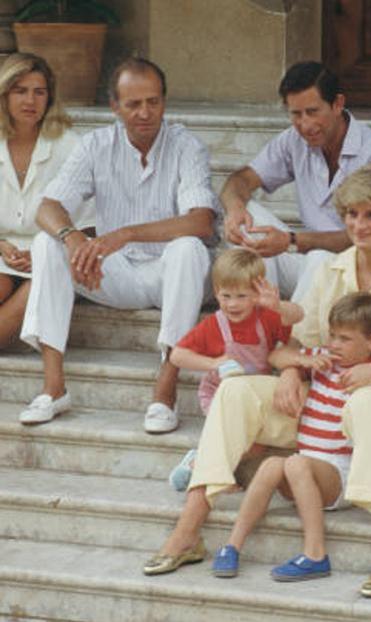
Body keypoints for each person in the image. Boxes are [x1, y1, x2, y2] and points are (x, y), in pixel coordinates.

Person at [144, 163, 371, 599]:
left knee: (364, 402)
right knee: (236, 389)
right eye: (351, 214)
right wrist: (291, 371)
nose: (357, 224)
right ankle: (189, 528)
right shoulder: (335, 268)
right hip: (325, 398)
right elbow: (297, 341)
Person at [17, 57, 220, 432]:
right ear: (114, 106)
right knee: (47, 244)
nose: (145, 113)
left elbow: (201, 221)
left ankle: (166, 388)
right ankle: (53, 386)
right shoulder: (96, 144)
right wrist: (74, 238)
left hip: (174, 275)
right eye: (133, 104)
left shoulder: (186, 146)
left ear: (164, 101)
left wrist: (126, 233)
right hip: (116, 274)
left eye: (153, 102)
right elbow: (48, 207)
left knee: (188, 247)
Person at [209, 292, 371, 582]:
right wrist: (299, 363)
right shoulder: (324, 358)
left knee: (294, 463)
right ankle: (232, 546)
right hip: (304, 467)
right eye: (332, 336)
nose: (335, 344)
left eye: (345, 339)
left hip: (338, 476)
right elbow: (275, 355)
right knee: (271, 465)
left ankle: (316, 554)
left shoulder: (370, 371)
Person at [221, 61, 371, 302]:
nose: (305, 125)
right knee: (248, 217)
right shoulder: (293, 140)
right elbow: (240, 179)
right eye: (296, 114)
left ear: (338, 104)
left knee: (320, 260)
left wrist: (293, 241)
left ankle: (294, 337)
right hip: (306, 261)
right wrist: (235, 209)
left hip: (357, 270)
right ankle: (258, 325)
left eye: (313, 112)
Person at [167, 247, 303, 491]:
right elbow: (177, 355)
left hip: (254, 394)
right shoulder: (213, 325)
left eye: (242, 296)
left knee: (257, 444)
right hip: (219, 394)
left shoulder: (267, 316)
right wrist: (213, 363)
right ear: (216, 292)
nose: (232, 304)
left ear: (257, 292)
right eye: (225, 295)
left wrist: (278, 306)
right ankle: (206, 467)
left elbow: (298, 316)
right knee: (233, 436)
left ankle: (205, 462)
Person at [0, 52, 94, 349]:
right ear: (4, 95)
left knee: (36, 287)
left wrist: (40, 251)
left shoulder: (70, 146)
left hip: (52, 254)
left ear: (50, 97)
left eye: (39, 92)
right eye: (20, 91)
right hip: (3, 252)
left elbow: (89, 226)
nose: (30, 101)